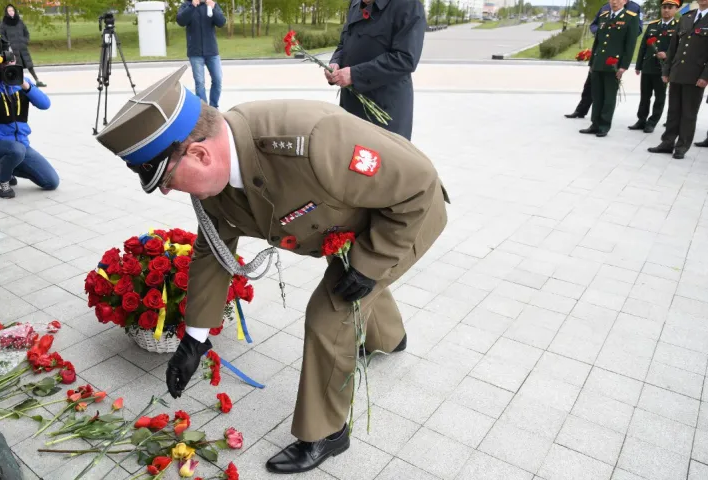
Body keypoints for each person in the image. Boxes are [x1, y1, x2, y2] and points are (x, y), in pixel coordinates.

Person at [94, 65, 450, 474]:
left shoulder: (311, 142)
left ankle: (327, 432)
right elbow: (214, 251)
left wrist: (372, 263)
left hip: (404, 217)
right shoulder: (215, 181)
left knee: (330, 314)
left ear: (199, 153)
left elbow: (419, 185)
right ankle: (390, 336)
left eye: (168, 179)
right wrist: (194, 340)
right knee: (352, 282)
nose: (168, 191)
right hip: (349, 220)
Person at [324, 0, 427, 140]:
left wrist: (355, 75)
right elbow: (344, 44)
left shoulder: (408, 5)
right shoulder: (355, 4)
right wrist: (335, 63)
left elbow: (405, 58)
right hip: (352, 107)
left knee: (383, 160)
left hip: (384, 112)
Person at [0, 63, 59, 198]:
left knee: (51, 182)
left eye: (13, 66)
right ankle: (2, 181)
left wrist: (24, 84)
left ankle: (7, 167)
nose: (9, 70)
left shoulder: (20, 83)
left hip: (21, 145)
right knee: (16, 150)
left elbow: (45, 104)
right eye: (5, 67)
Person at [649, 0, 708, 158]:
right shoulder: (686, 17)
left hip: (695, 75)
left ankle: (682, 146)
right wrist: (666, 70)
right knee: (673, 111)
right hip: (677, 71)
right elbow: (673, 46)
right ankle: (667, 142)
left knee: (688, 113)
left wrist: (705, 76)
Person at [565, 0, 642, 119]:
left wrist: (617, 35)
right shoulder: (606, 7)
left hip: (614, 56)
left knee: (608, 92)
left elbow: (637, 30)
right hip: (600, 56)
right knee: (590, 86)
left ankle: (603, 121)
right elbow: (595, 24)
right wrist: (600, 31)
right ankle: (582, 110)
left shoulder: (634, 8)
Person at [630, 0, 680, 134]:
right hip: (648, 66)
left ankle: (652, 122)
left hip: (663, 69)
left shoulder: (678, 26)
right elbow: (643, 47)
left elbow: (680, 48)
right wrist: (639, 65)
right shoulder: (652, 25)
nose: (666, 10)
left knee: (659, 97)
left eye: (670, 8)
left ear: (676, 10)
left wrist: (667, 55)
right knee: (644, 96)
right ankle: (641, 120)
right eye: (664, 7)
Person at [176, 0, 226, 108]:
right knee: (200, 83)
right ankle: (204, 110)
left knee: (217, 80)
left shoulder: (212, 4)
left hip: (212, 51)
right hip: (195, 52)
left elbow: (221, 22)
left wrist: (213, 8)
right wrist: (192, 6)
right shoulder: (187, 5)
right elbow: (180, 21)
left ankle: (214, 107)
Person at [0, 4, 46, 88]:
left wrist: (25, 41)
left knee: (29, 65)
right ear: (6, 12)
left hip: (22, 47)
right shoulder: (4, 23)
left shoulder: (19, 21)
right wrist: (8, 44)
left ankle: (37, 80)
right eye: (9, 11)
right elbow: (1, 35)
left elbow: (26, 32)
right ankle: (20, 84)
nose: (11, 12)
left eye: (12, 10)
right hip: (13, 49)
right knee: (18, 67)